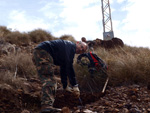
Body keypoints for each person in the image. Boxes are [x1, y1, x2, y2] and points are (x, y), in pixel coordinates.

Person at [32, 39, 88, 113]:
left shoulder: (68, 51)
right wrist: (75, 85)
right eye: (81, 46)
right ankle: (46, 106)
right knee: (50, 80)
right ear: (77, 43)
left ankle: (46, 105)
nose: (80, 49)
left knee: (47, 78)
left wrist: (65, 86)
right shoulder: (71, 47)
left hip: (39, 52)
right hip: (43, 52)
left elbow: (64, 68)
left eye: (82, 50)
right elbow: (69, 66)